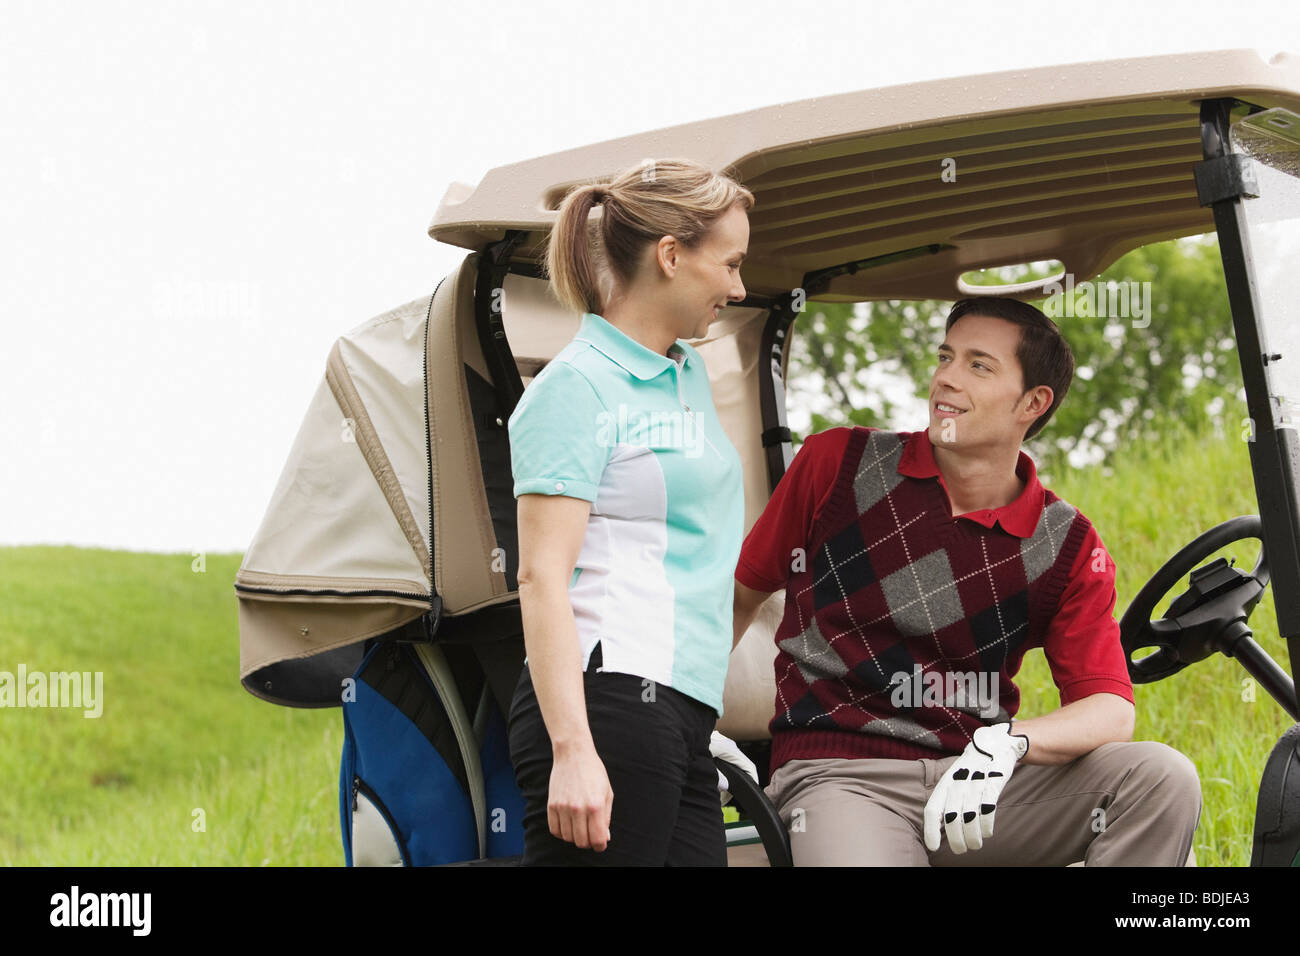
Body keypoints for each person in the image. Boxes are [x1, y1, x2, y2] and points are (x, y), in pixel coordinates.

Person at [731, 296, 1203, 865]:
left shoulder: (1068, 543)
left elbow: (1108, 707)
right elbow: (736, 600)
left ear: (1032, 402)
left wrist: (1010, 743)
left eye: (978, 365)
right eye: (946, 357)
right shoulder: (836, 463)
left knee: (1160, 778)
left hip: (979, 785)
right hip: (841, 777)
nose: (946, 379)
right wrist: (689, 725)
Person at [506, 157, 753, 865]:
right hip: (605, 702)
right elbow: (541, 578)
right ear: (671, 256)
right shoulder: (576, 388)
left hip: (676, 709)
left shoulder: (687, 375)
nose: (738, 287)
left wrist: (691, 713)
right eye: (729, 263)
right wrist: (574, 750)